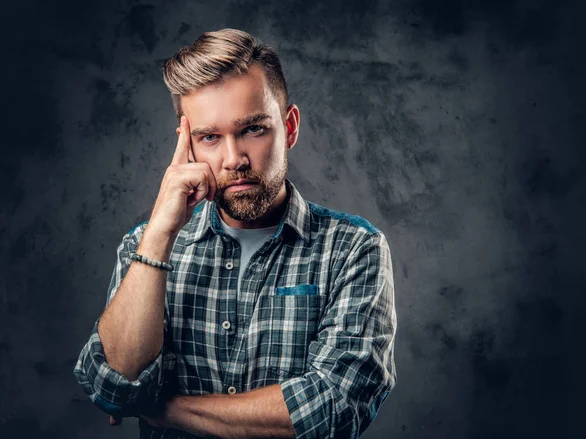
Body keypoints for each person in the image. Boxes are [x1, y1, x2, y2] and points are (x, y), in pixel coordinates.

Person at [73, 28, 397, 439]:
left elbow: (334, 406)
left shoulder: (353, 249)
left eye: (253, 130)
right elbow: (112, 383)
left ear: (290, 128)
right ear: (187, 146)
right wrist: (158, 235)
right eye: (209, 137)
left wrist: (162, 409)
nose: (234, 159)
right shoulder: (144, 248)